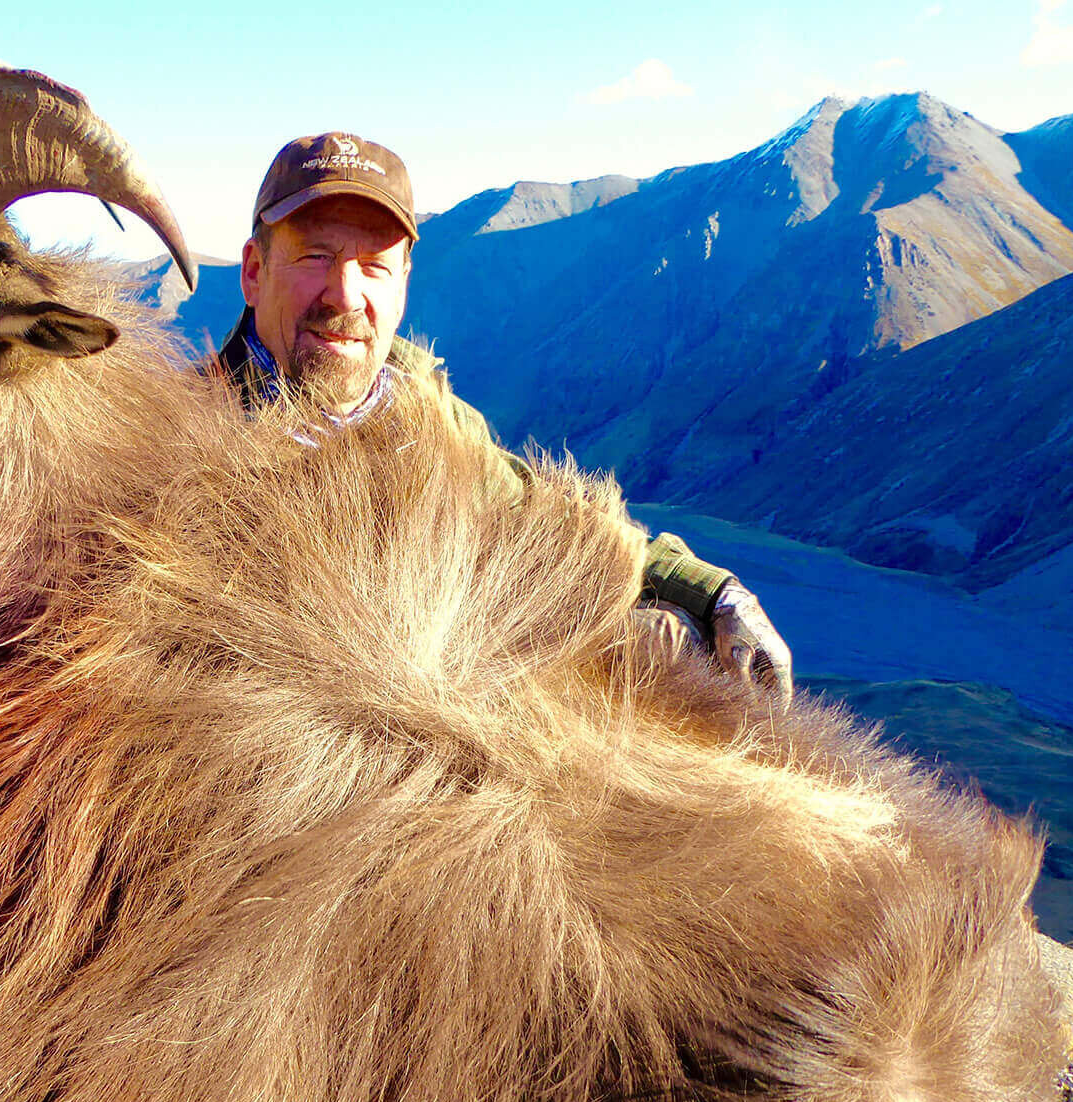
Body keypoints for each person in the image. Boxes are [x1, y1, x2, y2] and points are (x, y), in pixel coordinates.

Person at [211, 132, 793, 701]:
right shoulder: (184, 439)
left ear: (404, 285)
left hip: (460, 707)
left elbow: (545, 517)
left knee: (673, 641)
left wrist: (717, 595)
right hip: (298, 743)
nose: (344, 293)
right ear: (254, 272)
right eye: (316, 257)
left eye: (373, 266)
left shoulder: (434, 419)